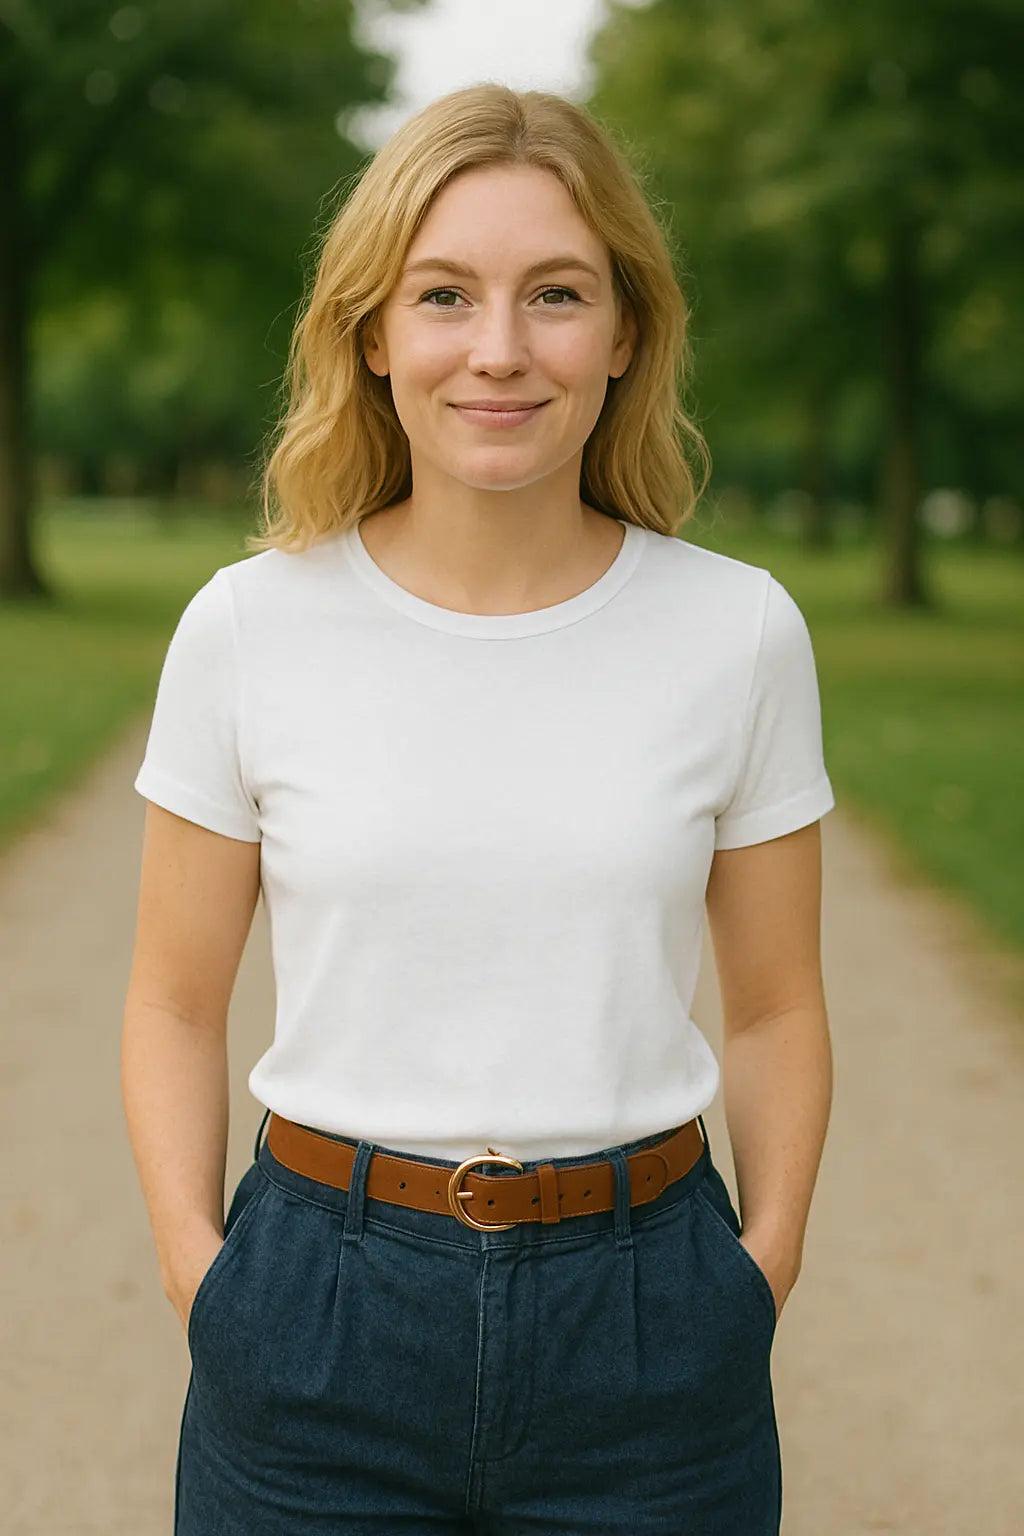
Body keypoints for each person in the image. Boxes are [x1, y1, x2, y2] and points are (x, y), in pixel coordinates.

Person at [122, 82, 835, 1535]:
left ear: (625, 330)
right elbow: (172, 1004)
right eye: (445, 295)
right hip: (315, 1324)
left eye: (555, 294)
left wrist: (758, 1273)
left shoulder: (738, 632)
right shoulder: (250, 627)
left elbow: (774, 1008)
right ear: (373, 334)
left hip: (650, 1333)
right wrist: (205, 1276)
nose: (499, 350)